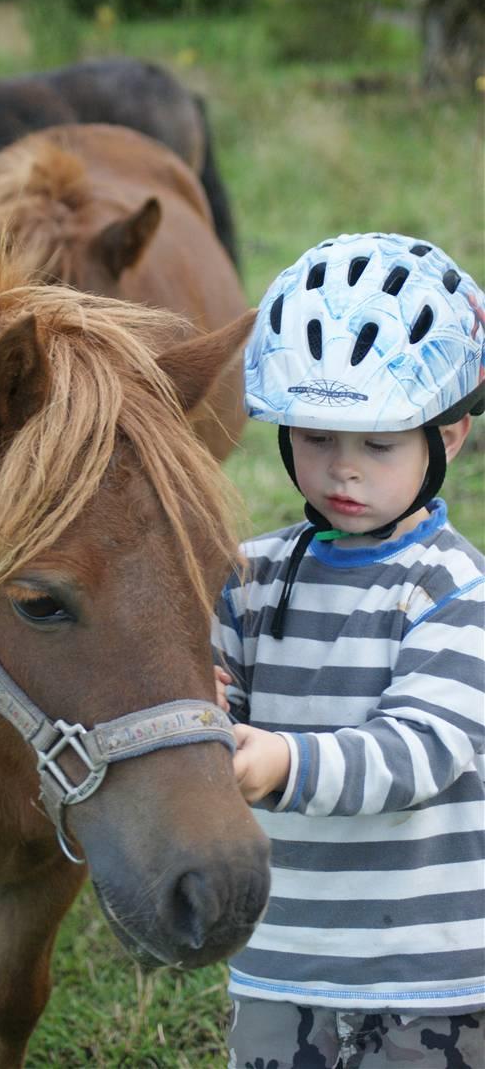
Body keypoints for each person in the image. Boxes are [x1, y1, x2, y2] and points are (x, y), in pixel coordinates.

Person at [212, 232, 485, 1069]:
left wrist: (280, 762)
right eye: (317, 437)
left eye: (378, 443)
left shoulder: (454, 588)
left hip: (428, 975)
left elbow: (419, 750)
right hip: (281, 956)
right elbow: (211, 696)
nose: (343, 471)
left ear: (450, 437)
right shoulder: (250, 576)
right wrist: (202, 708)